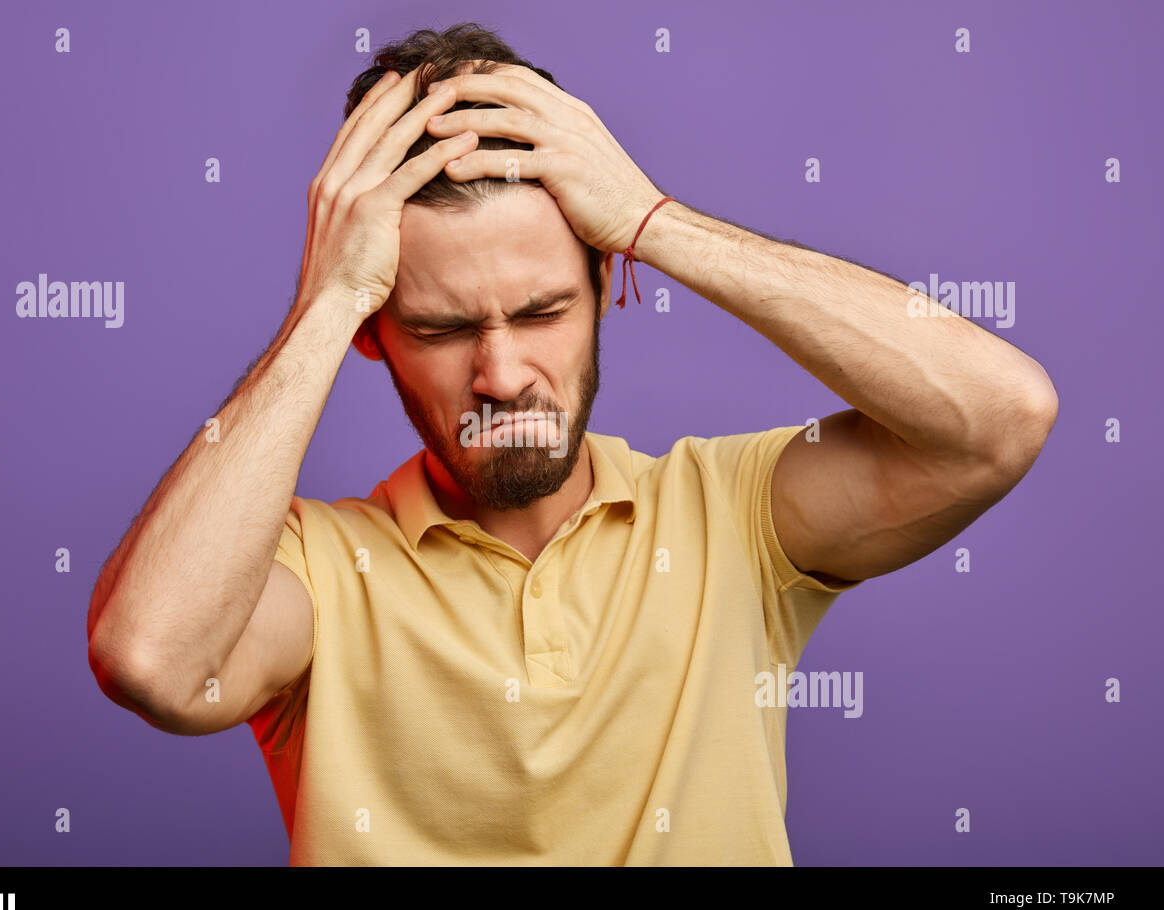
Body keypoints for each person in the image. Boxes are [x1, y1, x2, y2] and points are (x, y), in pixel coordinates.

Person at [86, 23, 1058, 865]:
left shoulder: (727, 515)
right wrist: (326, 299)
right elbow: (152, 659)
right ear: (374, 339)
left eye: (543, 309)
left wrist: (654, 222)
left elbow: (998, 420)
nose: (503, 372)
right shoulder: (315, 572)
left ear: (608, 287)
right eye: (440, 329)